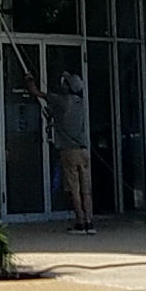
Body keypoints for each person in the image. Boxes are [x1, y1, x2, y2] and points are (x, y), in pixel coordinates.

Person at [43, 68, 95, 233]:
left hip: (70, 151)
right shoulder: (81, 104)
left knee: (74, 189)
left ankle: (80, 222)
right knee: (86, 189)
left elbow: (37, 92)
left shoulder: (61, 101)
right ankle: (89, 221)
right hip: (84, 151)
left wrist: (29, 80)